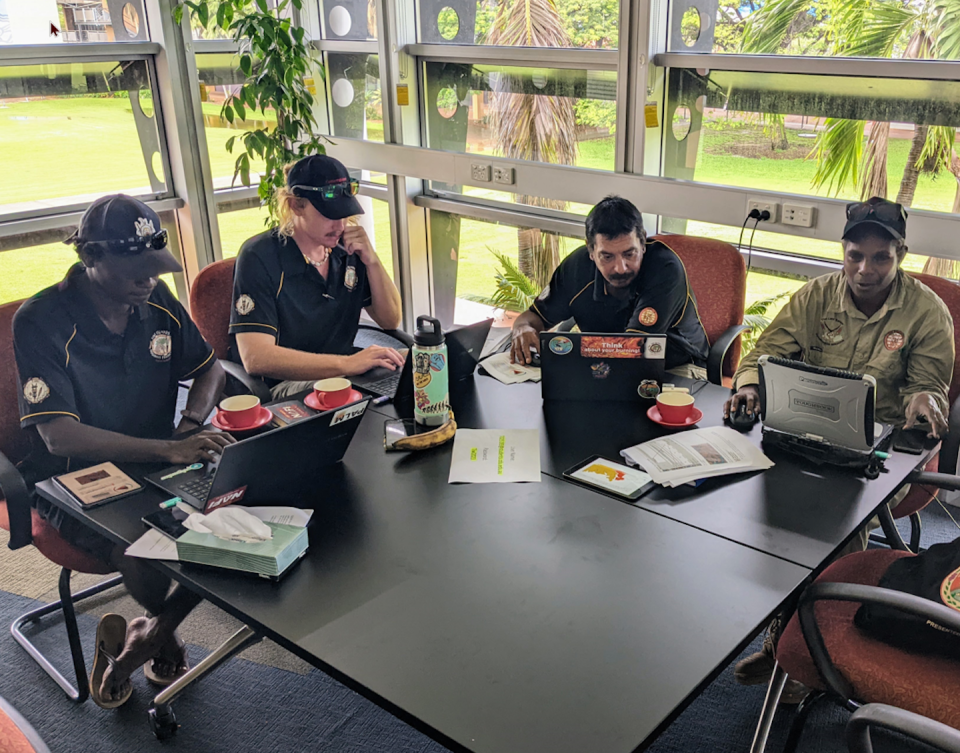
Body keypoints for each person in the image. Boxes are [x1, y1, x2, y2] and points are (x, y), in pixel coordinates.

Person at [726, 196, 955, 701]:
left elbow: (931, 388)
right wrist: (749, 383)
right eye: (854, 255)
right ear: (843, 250)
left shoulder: (926, 313)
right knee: (757, 508)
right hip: (807, 433)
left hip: (883, 453)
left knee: (833, 522)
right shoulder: (816, 297)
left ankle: (804, 651)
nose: (864, 269)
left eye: (880, 258)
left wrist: (925, 399)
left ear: (901, 254)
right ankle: (787, 629)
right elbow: (766, 352)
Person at [13, 194, 234, 708]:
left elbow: (210, 368)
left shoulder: (154, 301)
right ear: (90, 259)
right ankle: (167, 634)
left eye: (154, 267)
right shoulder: (41, 321)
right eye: (134, 268)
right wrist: (167, 449)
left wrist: (188, 425)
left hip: (156, 463)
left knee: (230, 516)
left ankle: (151, 631)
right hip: (71, 480)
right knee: (141, 551)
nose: (148, 279)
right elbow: (58, 436)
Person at [230, 155, 404, 399]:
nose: (340, 225)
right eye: (329, 215)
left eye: (345, 214)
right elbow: (255, 358)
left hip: (345, 373)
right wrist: (347, 365)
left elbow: (390, 320)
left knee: (418, 364)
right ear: (296, 206)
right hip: (287, 386)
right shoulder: (259, 256)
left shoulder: (348, 249)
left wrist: (372, 261)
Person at [510, 195, 709, 377]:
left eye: (629, 254)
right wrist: (523, 328)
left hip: (679, 369)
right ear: (591, 250)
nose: (620, 268)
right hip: (604, 364)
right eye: (607, 256)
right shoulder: (576, 267)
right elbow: (533, 317)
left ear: (642, 242)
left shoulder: (665, 268)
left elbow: (633, 349)